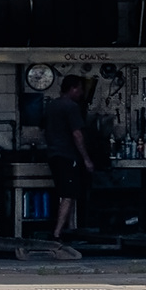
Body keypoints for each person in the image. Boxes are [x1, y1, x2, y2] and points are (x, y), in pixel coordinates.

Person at [37, 76, 104, 243]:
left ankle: (70, 231)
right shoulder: (71, 107)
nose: (81, 93)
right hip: (67, 156)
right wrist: (87, 159)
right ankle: (57, 234)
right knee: (68, 195)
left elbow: (43, 130)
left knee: (69, 193)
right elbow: (77, 134)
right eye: (80, 89)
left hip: (53, 155)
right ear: (73, 88)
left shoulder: (51, 106)